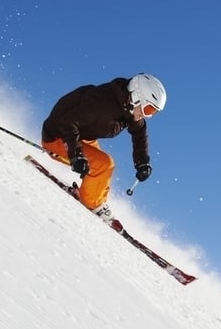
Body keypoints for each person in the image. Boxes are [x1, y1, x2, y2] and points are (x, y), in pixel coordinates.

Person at [41, 73, 166, 231]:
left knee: (102, 169)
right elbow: (67, 123)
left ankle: (96, 199)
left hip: (80, 136)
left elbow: (139, 133)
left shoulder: (128, 107)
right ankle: (92, 202)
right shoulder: (101, 104)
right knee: (104, 164)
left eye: (153, 112)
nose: (148, 116)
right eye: (148, 109)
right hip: (58, 135)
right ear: (137, 96)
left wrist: (142, 162)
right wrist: (75, 154)